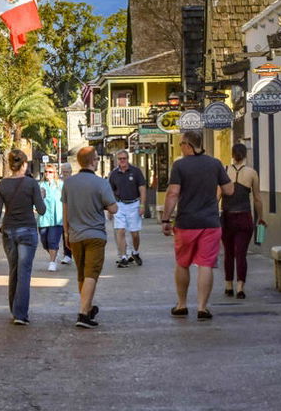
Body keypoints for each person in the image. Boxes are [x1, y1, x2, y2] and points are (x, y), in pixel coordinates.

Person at [161, 131, 229, 321]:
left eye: (181, 143)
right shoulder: (215, 164)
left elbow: (173, 193)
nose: (180, 147)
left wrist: (166, 219)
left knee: (183, 263)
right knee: (205, 264)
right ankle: (202, 307)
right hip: (210, 223)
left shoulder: (180, 165)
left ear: (188, 145)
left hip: (186, 223)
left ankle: (182, 305)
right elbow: (229, 189)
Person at [0, 149, 47, 325]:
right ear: (25, 164)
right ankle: (20, 314)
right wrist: (41, 196)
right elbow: (41, 210)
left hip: (9, 231)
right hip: (27, 230)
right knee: (24, 272)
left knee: (14, 270)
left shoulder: (2, 185)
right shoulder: (31, 183)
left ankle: (14, 309)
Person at [63, 146, 118, 328]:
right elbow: (113, 208)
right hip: (95, 234)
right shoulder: (101, 183)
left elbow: (65, 210)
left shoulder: (69, 183)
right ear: (94, 161)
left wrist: (65, 233)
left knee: (82, 275)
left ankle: (87, 309)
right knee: (92, 274)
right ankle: (82, 313)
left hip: (75, 235)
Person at [222, 143, 264, 298]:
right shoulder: (252, 173)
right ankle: (240, 287)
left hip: (227, 217)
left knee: (228, 253)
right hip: (244, 217)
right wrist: (261, 217)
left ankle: (228, 285)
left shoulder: (225, 171)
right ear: (245, 155)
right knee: (241, 253)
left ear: (232, 154)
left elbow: (217, 197)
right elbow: (257, 199)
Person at [108, 149, 147, 268]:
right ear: (117, 160)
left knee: (134, 233)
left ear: (127, 159)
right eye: (120, 159)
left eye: (124, 158)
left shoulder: (136, 172)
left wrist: (142, 205)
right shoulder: (114, 174)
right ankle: (123, 257)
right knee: (120, 231)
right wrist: (110, 208)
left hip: (134, 204)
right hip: (120, 205)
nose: (122, 161)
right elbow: (110, 191)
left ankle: (134, 252)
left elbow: (142, 189)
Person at [37, 163, 65, 271]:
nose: (48, 174)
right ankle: (54, 253)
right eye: (46, 172)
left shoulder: (60, 185)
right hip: (43, 218)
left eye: (50, 172)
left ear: (55, 174)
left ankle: (52, 262)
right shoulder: (40, 185)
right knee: (45, 242)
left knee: (53, 240)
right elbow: (35, 200)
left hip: (57, 218)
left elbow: (66, 200)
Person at [58, 162, 74, 265]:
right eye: (63, 172)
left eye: (67, 172)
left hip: (71, 211)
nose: (65, 174)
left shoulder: (74, 182)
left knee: (67, 234)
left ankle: (68, 255)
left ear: (71, 172)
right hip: (59, 211)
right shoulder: (58, 182)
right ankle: (56, 252)